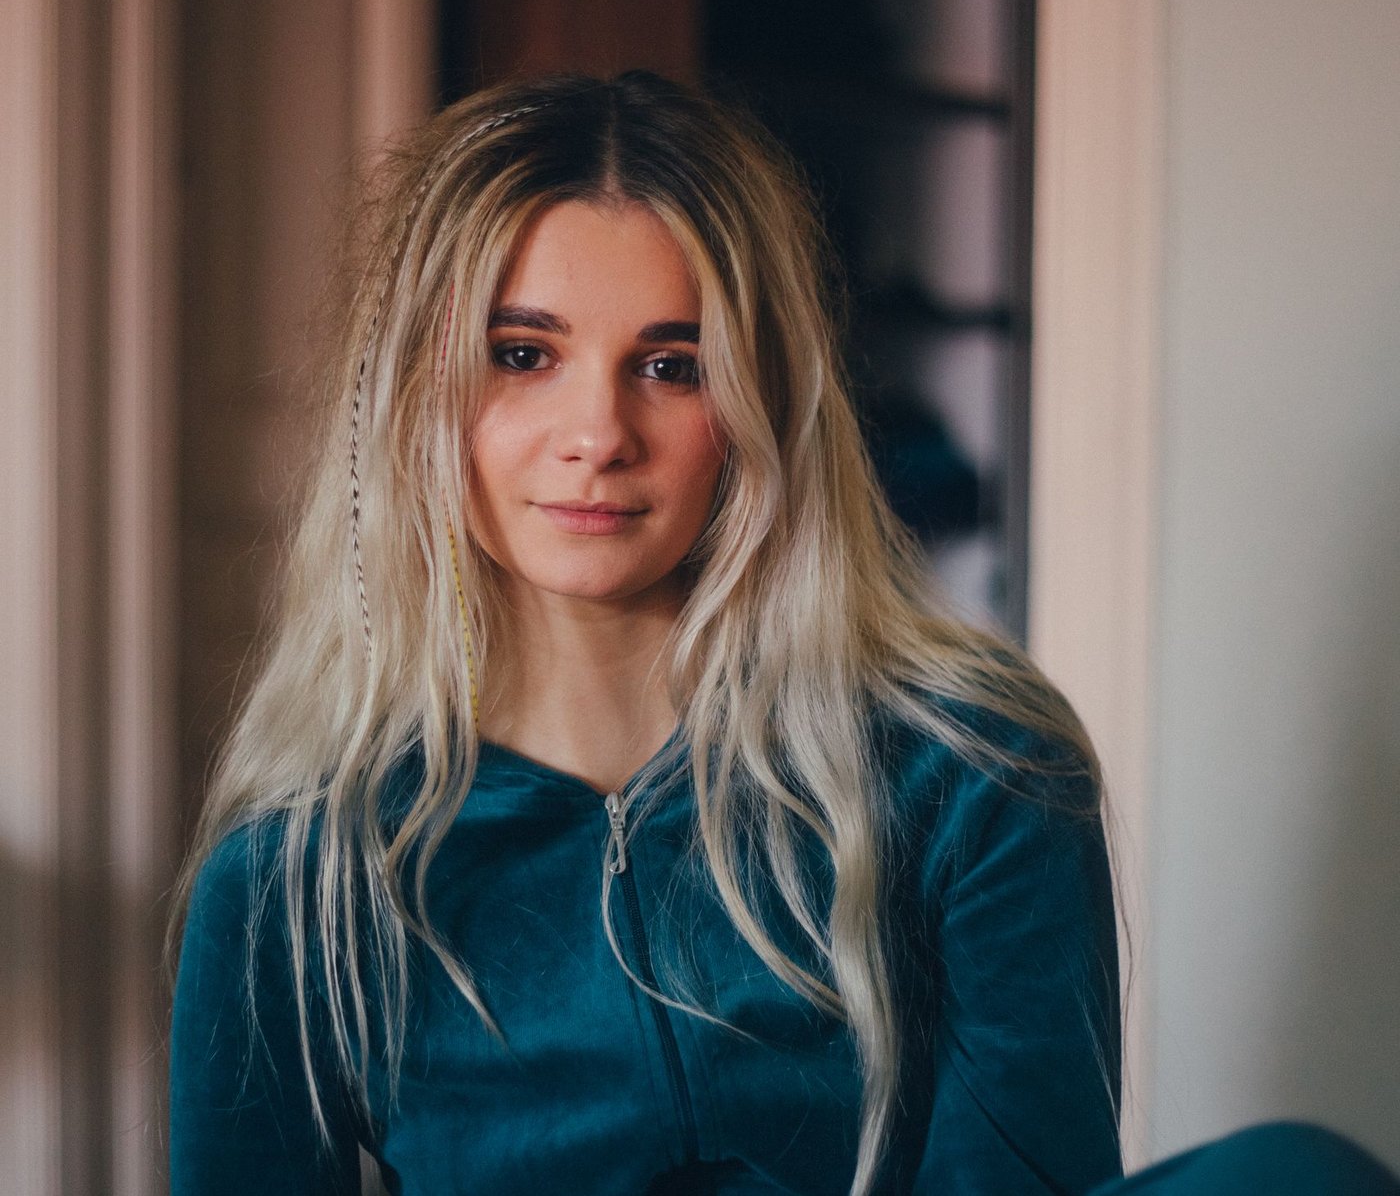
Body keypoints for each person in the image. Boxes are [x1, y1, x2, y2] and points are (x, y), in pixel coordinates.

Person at [168, 71, 1399, 1196]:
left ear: (758, 403)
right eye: (522, 353)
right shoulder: (295, 878)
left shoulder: (975, 770)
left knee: (1296, 1175)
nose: (595, 431)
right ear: (412, 394)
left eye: (670, 364)